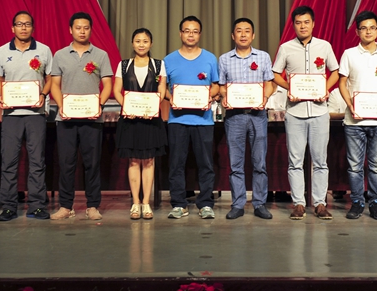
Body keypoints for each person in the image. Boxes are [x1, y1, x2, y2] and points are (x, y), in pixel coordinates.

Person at [272, 6, 339, 220]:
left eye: (306, 22)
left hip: (319, 111)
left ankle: (320, 203)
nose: (303, 26)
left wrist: (325, 89)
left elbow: (335, 71)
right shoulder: (286, 48)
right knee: (295, 161)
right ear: (294, 25)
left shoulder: (324, 46)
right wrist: (290, 88)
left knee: (320, 161)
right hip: (295, 112)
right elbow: (275, 74)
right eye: (299, 22)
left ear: (313, 24)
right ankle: (299, 203)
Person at [50, 12, 114, 221]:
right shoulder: (60, 55)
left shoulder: (101, 55)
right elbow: (55, 85)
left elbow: (107, 85)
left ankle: (92, 206)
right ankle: (65, 206)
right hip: (66, 119)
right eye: (78, 28)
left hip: (92, 119)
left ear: (90, 30)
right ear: (71, 30)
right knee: (66, 163)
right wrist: (62, 106)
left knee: (92, 163)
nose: (82, 31)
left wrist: (99, 105)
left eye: (86, 28)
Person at [338, 10, 377, 221]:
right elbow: (342, 83)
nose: (368, 32)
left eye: (372, 28)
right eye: (363, 28)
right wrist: (350, 105)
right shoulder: (349, 54)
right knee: (355, 166)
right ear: (357, 32)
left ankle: (375, 203)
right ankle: (356, 201)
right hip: (354, 120)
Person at [0, 11, 53, 221]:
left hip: (35, 114)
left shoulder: (44, 50)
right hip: (11, 114)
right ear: (13, 28)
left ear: (33, 28)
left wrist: (43, 95)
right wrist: (2, 94)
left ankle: (37, 205)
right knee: (9, 160)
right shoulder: (2, 51)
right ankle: (9, 206)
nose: (23, 28)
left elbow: (50, 79)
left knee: (37, 160)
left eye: (27, 24)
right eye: (19, 24)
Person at [219, 18, 276, 220]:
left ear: (253, 35)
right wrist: (224, 97)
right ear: (233, 35)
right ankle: (238, 204)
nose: (243, 34)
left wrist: (264, 98)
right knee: (235, 163)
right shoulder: (224, 59)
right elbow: (222, 87)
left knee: (259, 163)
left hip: (258, 116)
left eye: (247, 31)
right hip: (234, 117)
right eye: (239, 31)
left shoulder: (263, 57)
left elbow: (270, 84)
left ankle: (259, 203)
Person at [164, 15, 220, 220]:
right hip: (177, 120)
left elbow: (216, 86)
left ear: (200, 34)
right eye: (187, 31)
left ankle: (205, 204)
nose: (191, 35)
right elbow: (163, 88)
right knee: (176, 164)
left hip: (203, 120)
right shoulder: (168, 60)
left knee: (206, 164)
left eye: (195, 31)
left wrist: (207, 96)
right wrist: (172, 97)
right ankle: (179, 204)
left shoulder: (210, 58)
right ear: (180, 33)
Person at [113, 28, 167, 220]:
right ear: (132, 43)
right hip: (130, 120)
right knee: (134, 160)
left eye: (145, 41)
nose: (141, 44)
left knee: (149, 160)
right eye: (138, 41)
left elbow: (162, 89)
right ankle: (136, 202)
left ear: (151, 44)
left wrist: (152, 106)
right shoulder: (124, 65)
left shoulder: (159, 65)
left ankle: (146, 203)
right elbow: (117, 90)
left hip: (151, 119)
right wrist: (128, 107)